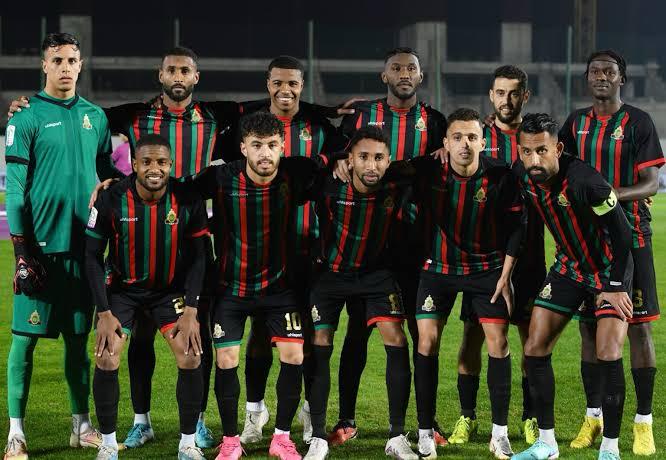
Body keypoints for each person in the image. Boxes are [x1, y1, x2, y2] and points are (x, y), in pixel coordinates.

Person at [183, 111, 340, 460]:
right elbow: (176, 190)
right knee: (226, 359)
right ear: (243, 148)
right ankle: (230, 441)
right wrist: (115, 186)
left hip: (280, 290)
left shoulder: (295, 173)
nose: (264, 153)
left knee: (294, 355)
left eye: (271, 145)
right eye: (256, 145)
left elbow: (337, 166)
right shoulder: (221, 177)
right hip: (231, 289)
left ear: (282, 146)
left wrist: (341, 163)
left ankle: (281, 438)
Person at [4, 32, 120, 460]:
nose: (66, 67)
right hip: (39, 251)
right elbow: (15, 191)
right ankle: (16, 433)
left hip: (83, 251)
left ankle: (81, 426)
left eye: (72, 60)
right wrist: (22, 252)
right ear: (44, 65)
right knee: (24, 343)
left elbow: (106, 175)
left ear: (81, 64)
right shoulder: (25, 117)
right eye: (57, 60)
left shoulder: (96, 117)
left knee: (77, 342)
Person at [328, 46, 448, 447]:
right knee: (357, 333)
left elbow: (450, 155)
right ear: (385, 76)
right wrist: (337, 159)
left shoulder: (434, 120)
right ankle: (346, 419)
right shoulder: (363, 115)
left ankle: (428, 423)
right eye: (396, 68)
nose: (404, 73)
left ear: (421, 75)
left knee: (420, 335)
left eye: (411, 68)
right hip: (370, 246)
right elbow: (335, 150)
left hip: (416, 244)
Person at [234, 56, 346, 446]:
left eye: (293, 83)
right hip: (261, 250)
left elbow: (343, 159)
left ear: (302, 85)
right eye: (278, 82)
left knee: (310, 336)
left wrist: (338, 162)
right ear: (267, 84)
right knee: (258, 335)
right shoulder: (250, 126)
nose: (286, 90)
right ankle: (255, 412)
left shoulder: (320, 129)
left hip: (309, 249)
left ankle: (309, 413)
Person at [511, 113, 634, 460]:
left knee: (607, 352)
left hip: (609, 270)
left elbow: (623, 233)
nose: (534, 160)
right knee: (534, 348)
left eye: (542, 150)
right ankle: (547, 444)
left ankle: (610, 449)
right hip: (568, 269)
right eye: (527, 151)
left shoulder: (586, 182)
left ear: (558, 148)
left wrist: (614, 286)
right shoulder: (522, 174)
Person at [559, 50, 664, 456]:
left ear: (622, 79)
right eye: (595, 71)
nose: (601, 76)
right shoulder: (575, 123)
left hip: (632, 237)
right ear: (587, 78)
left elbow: (651, 183)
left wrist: (609, 197)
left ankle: (643, 422)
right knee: (589, 329)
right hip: (586, 243)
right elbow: (557, 166)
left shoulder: (638, 122)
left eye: (609, 71)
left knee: (638, 327)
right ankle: (593, 418)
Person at [85, 134, 209, 460]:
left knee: (191, 354)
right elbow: (91, 257)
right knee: (107, 355)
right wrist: (103, 312)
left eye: (162, 162)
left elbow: (199, 257)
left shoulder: (188, 198)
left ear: (171, 165)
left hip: (169, 292)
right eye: (147, 162)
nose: (155, 169)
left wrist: (191, 310)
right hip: (122, 292)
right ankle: (108, 445)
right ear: (134, 165)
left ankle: (187, 444)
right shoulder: (111, 198)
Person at [408, 108, 523, 460]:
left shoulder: (501, 176)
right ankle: (425, 433)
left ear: (483, 143)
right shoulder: (428, 171)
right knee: (426, 341)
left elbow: (517, 227)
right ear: (445, 142)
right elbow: (390, 174)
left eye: (472, 137)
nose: (465, 144)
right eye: (457, 137)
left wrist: (505, 275)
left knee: (498, 342)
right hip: (438, 268)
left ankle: (499, 434)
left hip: (487, 270)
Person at [303, 127, 418, 460]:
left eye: (379, 158)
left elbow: (426, 167)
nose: (371, 165)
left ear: (389, 161)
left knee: (397, 339)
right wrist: (331, 160)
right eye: (363, 157)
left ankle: (396, 436)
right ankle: (318, 436)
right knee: (320, 341)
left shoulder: (395, 185)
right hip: (331, 275)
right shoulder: (328, 186)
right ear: (350, 160)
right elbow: (298, 175)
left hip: (375, 275)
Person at [449, 65, 545, 446]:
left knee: (530, 339)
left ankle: (530, 418)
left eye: (514, 93)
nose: (507, 100)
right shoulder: (477, 136)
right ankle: (467, 416)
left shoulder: (535, 137)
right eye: (500, 93)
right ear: (491, 95)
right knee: (473, 335)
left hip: (529, 252)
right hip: (485, 257)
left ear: (525, 96)